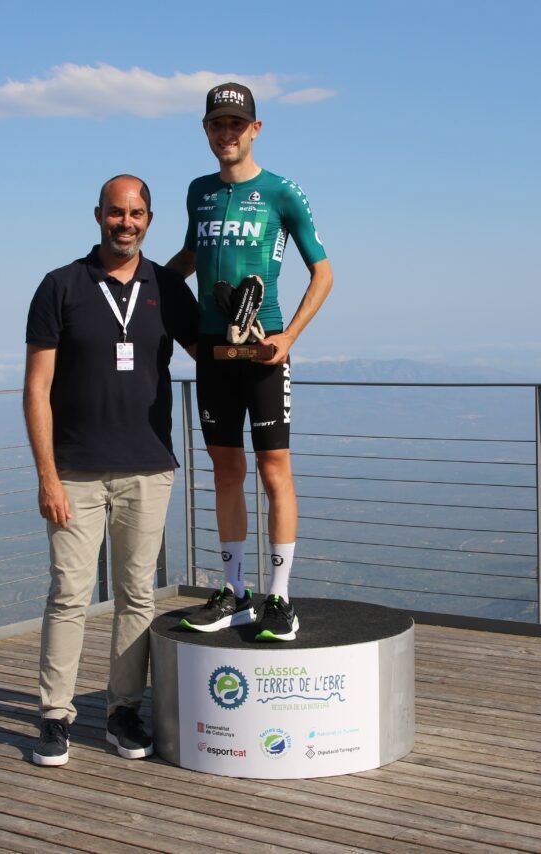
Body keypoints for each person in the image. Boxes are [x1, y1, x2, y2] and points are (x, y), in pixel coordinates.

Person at [23, 174, 197, 766]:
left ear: (150, 219)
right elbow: (37, 387)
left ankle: (123, 712)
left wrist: (268, 337)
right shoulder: (60, 286)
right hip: (73, 471)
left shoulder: (168, 287)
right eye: (116, 212)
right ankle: (55, 715)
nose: (126, 223)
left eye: (137, 214)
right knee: (69, 594)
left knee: (135, 597)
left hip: (148, 468)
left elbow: (214, 351)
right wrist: (46, 475)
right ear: (98, 214)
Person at [168, 82, 333, 642]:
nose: (227, 133)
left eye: (237, 124)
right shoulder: (198, 192)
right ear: (206, 130)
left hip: (265, 352)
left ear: (255, 129)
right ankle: (235, 592)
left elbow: (324, 270)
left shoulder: (283, 192)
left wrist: (290, 336)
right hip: (214, 354)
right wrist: (151, 286)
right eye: (218, 124)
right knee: (225, 470)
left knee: (273, 470)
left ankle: (279, 599)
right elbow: (192, 255)